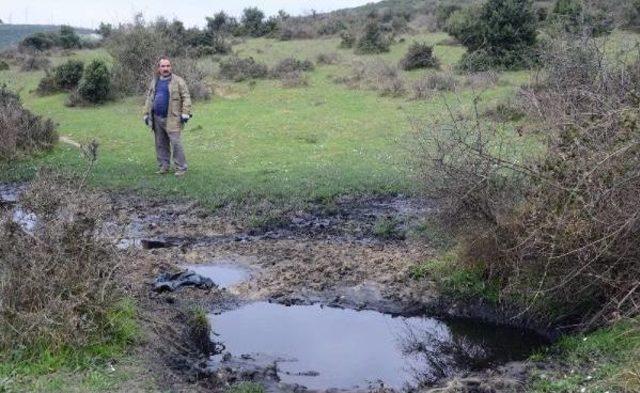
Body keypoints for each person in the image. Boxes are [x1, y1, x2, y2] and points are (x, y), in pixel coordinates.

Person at [143, 56, 192, 176]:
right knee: (160, 144)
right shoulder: (155, 81)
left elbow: (186, 97)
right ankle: (164, 167)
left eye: (168, 66)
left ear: (171, 67)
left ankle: (181, 168)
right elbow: (149, 98)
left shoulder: (178, 81)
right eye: (163, 66)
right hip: (156, 118)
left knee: (176, 143)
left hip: (173, 118)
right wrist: (146, 113)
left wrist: (185, 113)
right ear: (158, 68)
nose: (166, 68)